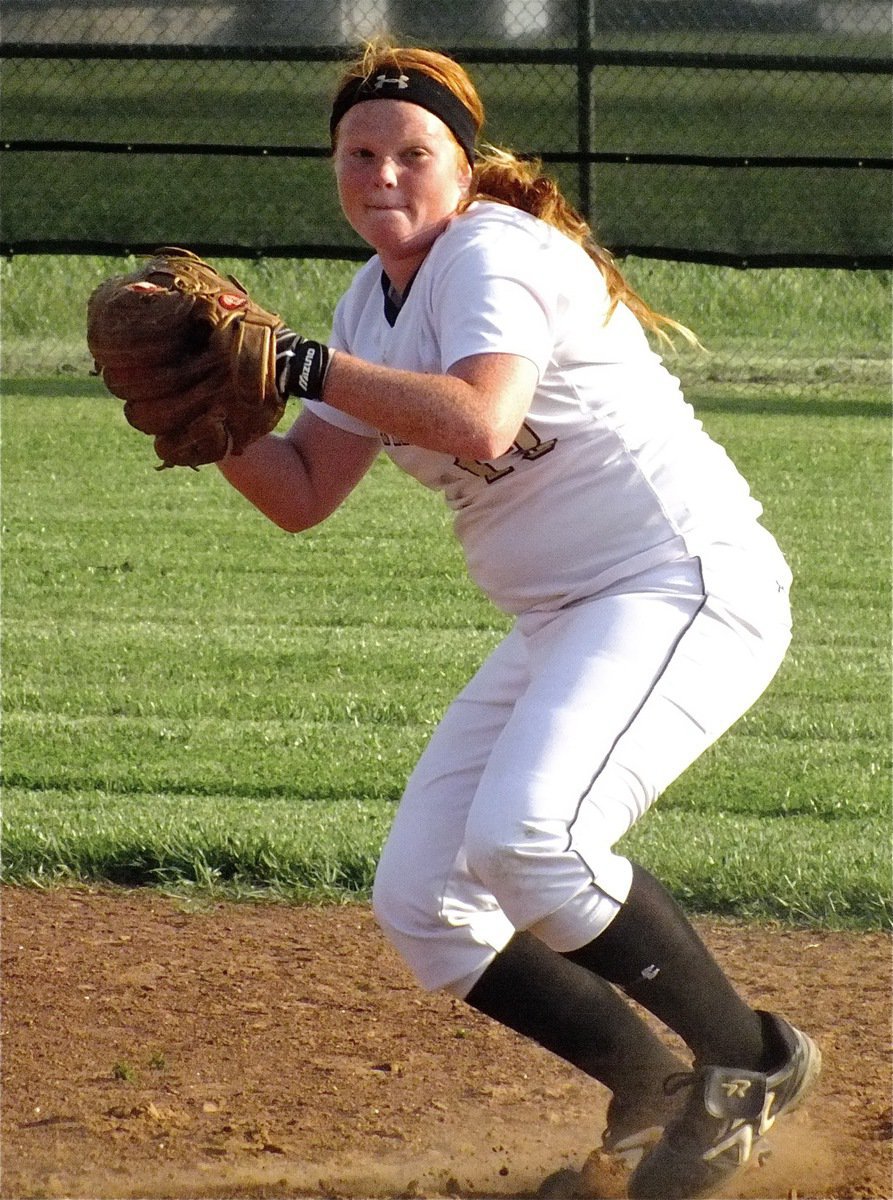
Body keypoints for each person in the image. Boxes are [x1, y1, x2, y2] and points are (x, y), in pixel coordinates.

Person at [217, 39, 821, 1200]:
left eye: (412, 152)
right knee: (426, 903)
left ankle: (747, 1062)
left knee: (529, 840)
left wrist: (294, 361)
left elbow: (480, 422)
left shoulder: (493, 251)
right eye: (359, 153)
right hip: (563, 619)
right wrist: (209, 419)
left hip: (675, 585)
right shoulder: (368, 298)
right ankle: (651, 1086)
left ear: (462, 163)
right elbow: (300, 495)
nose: (383, 174)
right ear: (333, 166)